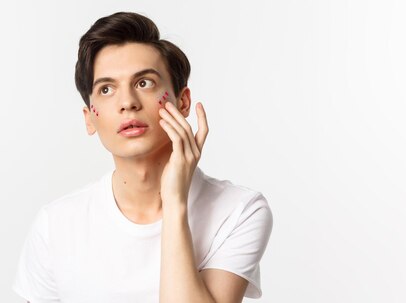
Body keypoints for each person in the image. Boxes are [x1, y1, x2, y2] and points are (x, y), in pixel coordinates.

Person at [12, 11, 273, 303]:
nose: (127, 103)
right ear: (89, 119)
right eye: (107, 89)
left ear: (182, 101)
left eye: (144, 83)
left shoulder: (238, 211)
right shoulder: (55, 225)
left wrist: (175, 203)